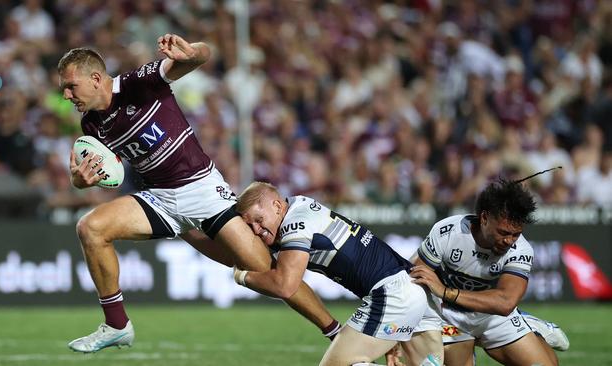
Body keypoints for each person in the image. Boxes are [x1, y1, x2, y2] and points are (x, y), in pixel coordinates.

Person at [57, 34, 338, 353]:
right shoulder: (91, 125)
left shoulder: (139, 83)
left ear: (96, 78)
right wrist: (82, 182)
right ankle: (117, 325)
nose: (66, 95)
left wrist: (193, 52)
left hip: (202, 191)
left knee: (269, 274)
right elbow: (109, 172)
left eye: (71, 86)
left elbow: (201, 56)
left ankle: (335, 332)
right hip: (159, 199)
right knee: (90, 228)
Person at [233, 181, 443, 366]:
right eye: (250, 225)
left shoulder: (296, 224)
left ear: (277, 206)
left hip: (393, 295)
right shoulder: (300, 204)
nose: (256, 229)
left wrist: (242, 277)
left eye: (259, 220)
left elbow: (285, 286)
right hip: (413, 291)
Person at [409, 176, 568, 366]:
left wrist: (446, 292)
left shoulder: (521, 250)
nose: (509, 241)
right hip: (448, 319)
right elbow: (415, 277)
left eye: (516, 234)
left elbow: (505, 302)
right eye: (503, 232)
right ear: (484, 218)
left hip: (492, 317)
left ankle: (522, 324)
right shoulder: (448, 232)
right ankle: (508, 328)